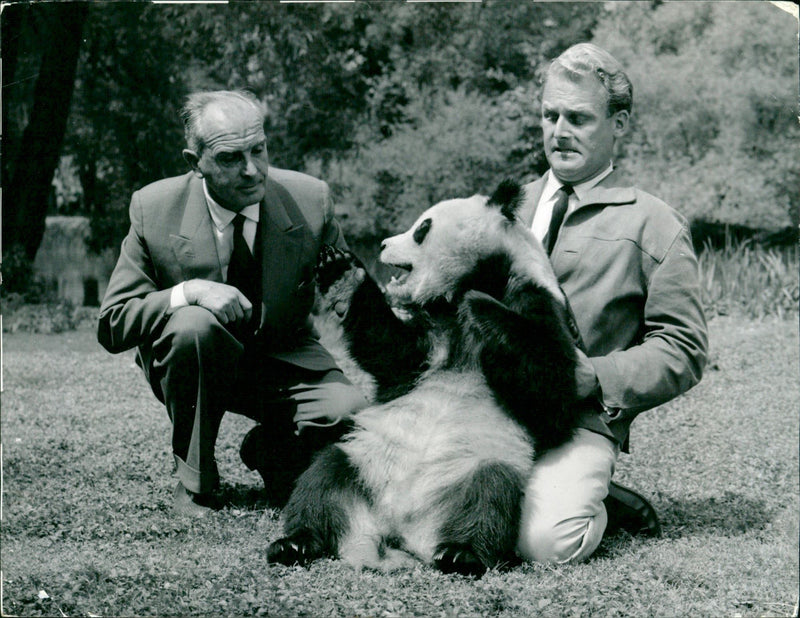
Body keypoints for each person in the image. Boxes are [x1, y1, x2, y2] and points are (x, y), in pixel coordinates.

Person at [97, 90, 367, 517]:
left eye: (258, 150)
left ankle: (271, 450)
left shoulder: (311, 200)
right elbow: (113, 324)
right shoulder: (153, 208)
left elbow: (352, 295)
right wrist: (191, 292)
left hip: (285, 357)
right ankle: (196, 483)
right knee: (193, 326)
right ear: (195, 162)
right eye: (229, 158)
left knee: (349, 415)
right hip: (196, 357)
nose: (251, 170)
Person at [515, 43, 708, 563]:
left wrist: (594, 376)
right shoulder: (507, 205)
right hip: (487, 407)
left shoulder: (654, 222)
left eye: (579, 118)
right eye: (550, 115)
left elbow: (684, 348)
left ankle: (595, 503)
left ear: (618, 124)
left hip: (578, 419)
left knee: (546, 541)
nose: (559, 131)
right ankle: (574, 490)